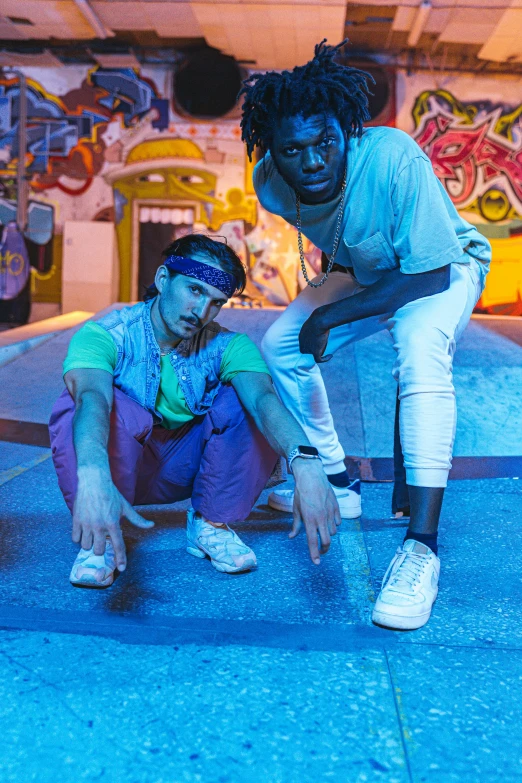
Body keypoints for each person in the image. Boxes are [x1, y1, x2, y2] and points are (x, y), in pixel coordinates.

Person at [240, 40, 491, 630]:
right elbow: (343, 241)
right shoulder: (271, 185)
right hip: (370, 269)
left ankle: (421, 548)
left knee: (419, 348)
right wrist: (331, 297)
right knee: (280, 343)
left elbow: (427, 272)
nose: (313, 161)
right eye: (292, 149)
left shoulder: (392, 157)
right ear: (272, 153)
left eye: (325, 141)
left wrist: (331, 314)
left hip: (445, 266)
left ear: (345, 129)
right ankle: (336, 479)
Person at [49, 234, 340, 588]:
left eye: (215, 302)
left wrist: (306, 462)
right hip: (114, 468)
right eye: (194, 290)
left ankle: (210, 524)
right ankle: (101, 538)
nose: (201, 311)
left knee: (245, 400)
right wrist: (93, 473)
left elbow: (265, 402)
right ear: (162, 279)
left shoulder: (228, 346)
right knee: (79, 404)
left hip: (182, 470)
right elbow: (92, 398)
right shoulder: (107, 335)